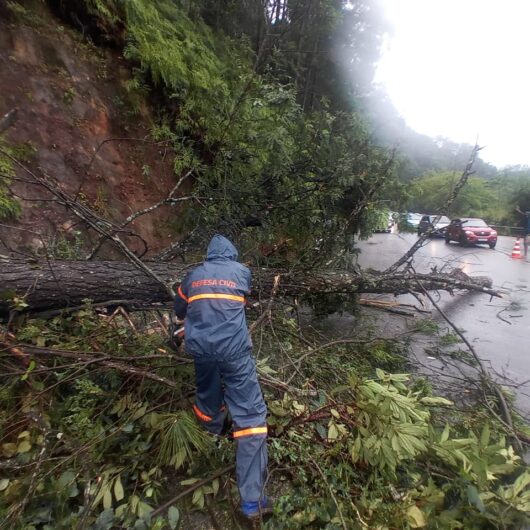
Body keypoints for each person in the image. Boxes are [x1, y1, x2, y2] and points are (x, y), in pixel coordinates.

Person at [173, 234, 271, 520]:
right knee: (252, 416)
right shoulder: (242, 272)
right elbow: (242, 297)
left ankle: (212, 432)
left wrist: (185, 321)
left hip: (201, 351)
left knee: (207, 394)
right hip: (234, 353)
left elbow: (179, 309)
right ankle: (252, 501)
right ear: (230, 255)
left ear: (208, 255)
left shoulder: (192, 276)